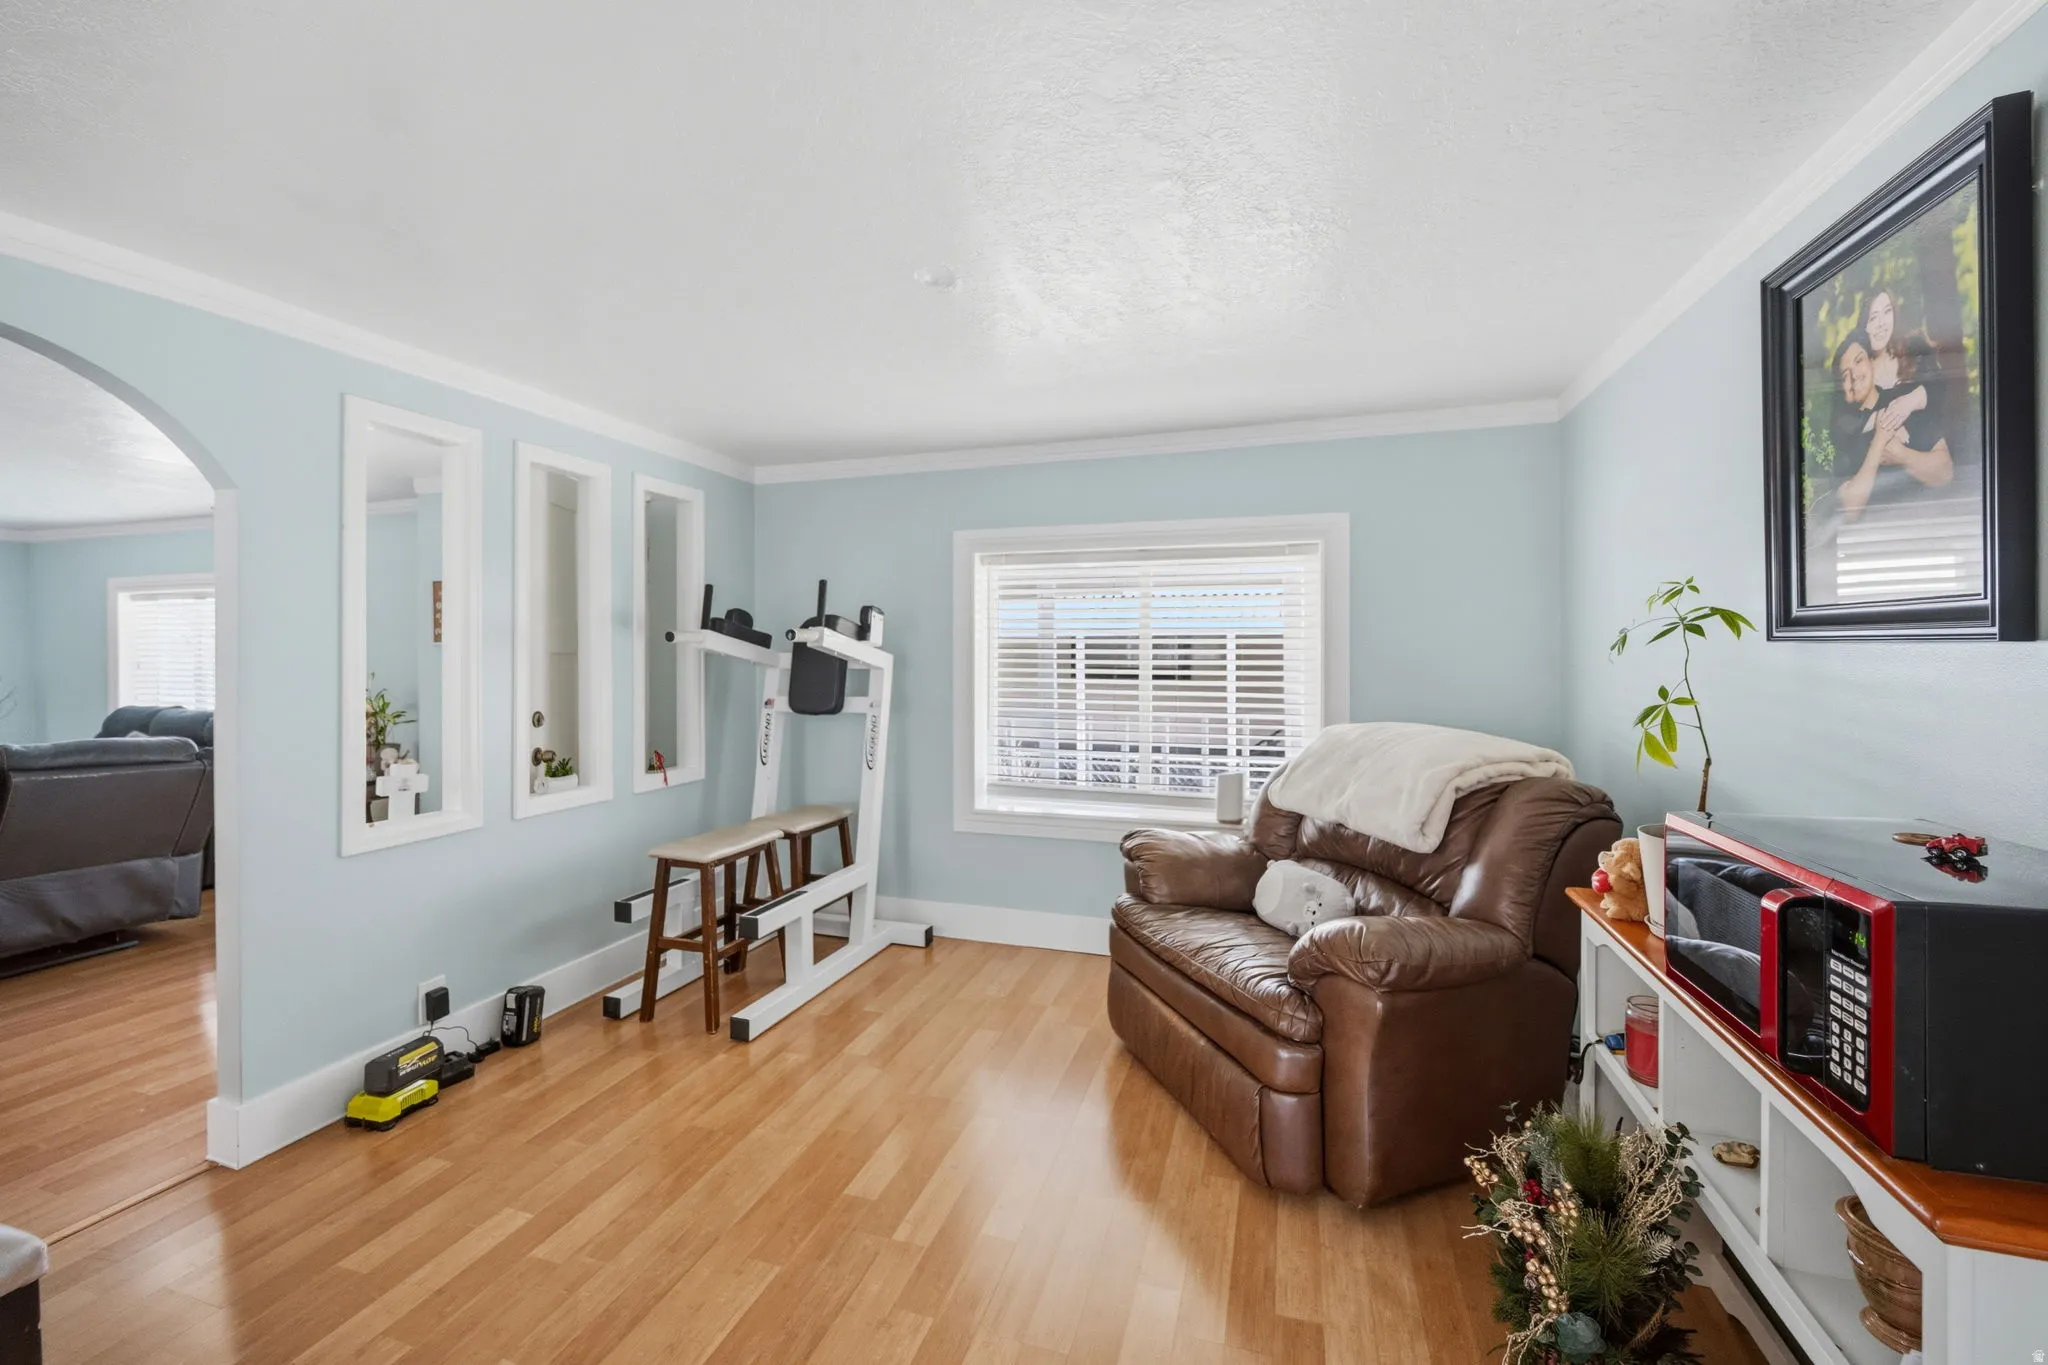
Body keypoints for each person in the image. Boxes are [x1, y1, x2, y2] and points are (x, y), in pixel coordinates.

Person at [1826, 331, 1952, 524]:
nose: (1854, 376)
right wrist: (1880, 440)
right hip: (1872, 539)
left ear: (1871, 362)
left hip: (1926, 525)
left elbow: (1945, 472)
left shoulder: (1903, 402)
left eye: (1858, 362)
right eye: (1844, 375)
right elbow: (1849, 510)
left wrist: (1900, 454)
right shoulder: (1840, 435)